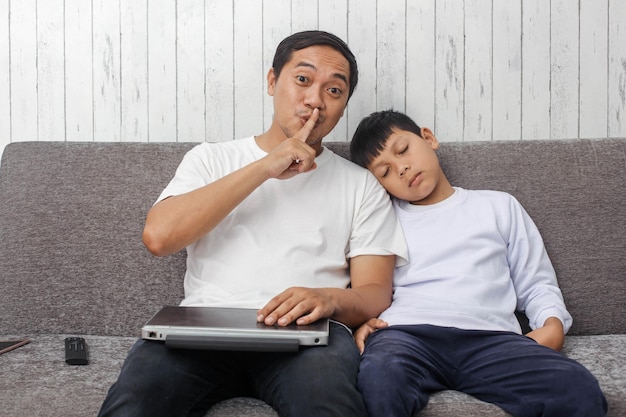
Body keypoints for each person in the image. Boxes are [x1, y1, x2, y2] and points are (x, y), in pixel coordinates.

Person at [97, 32, 407, 417]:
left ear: (343, 105)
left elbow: (375, 292)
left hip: (308, 337)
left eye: (334, 90)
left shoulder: (361, 184)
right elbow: (159, 238)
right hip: (205, 328)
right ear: (272, 81)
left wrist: (328, 299)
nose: (315, 100)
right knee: (135, 404)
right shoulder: (210, 159)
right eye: (303, 80)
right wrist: (265, 167)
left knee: (329, 405)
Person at [349, 110, 608, 417]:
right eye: (385, 172)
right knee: (378, 381)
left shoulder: (498, 206)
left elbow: (536, 283)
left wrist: (552, 324)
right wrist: (360, 321)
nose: (402, 168)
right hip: (407, 335)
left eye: (403, 150)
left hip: (491, 339)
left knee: (579, 390)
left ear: (428, 138)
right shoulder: (381, 219)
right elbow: (367, 284)